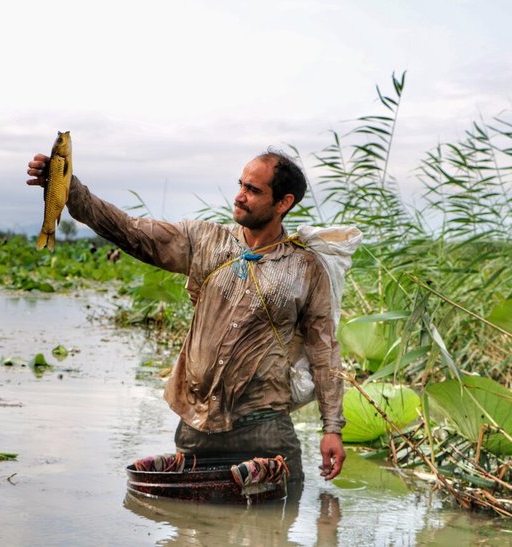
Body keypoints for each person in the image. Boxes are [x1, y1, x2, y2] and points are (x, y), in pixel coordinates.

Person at [26, 148, 346, 482]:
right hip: (197, 427)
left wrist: (332, 428)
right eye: (241, 185)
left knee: (278, 524)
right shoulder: (205, 241)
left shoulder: (305, 269)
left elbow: (324, 350)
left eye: (253, 190)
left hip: (265, 429)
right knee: (191, 527)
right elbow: (129, 230)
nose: (239, 196)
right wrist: (68, 188)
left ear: (283, 203)